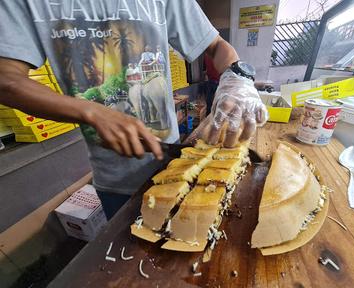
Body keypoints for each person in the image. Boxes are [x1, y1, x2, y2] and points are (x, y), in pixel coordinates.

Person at [0, 0, 268, 220]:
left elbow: (218, 47)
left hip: (173, 165)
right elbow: (6, 78)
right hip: (115, 183)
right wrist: (88, 110)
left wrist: (236, 79)